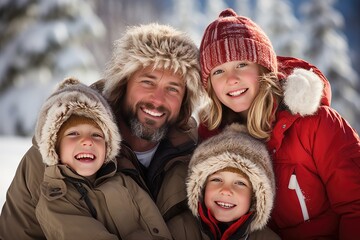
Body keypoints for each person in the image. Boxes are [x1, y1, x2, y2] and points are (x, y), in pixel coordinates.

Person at [0, 23, 203, 240]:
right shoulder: (55, 156)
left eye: (173, 88)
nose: (157, 99)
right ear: (122, 84)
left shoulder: (197, 161)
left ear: (185, 101)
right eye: (147, 82)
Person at [197, 8, 360, 240]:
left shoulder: (316, 124)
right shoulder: (212, 142)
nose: (231, 78)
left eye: (242, 64)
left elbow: (356, 205)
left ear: (264, 68)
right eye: (218, 71)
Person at [34, 77, 172, 239]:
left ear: (108, 146)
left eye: (96, 135)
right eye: (73, 134)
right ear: (54, 147)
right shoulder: (57, 200)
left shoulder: (125, 182)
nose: (87, 141)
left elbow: (157, 229)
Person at [187, 123, 280, 239]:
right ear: (200, 187)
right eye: (217, 179)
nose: (226, 191)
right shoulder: (182, 229)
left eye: (240, 183)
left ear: (256, 197)